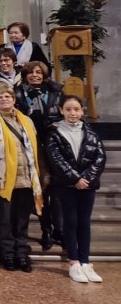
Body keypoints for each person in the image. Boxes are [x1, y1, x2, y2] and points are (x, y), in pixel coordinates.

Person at [45, 96, 106, 283]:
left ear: (82, 111)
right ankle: (74, 262)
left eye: (77, 109)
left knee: (84, 223)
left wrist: (87, 178)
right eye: (69, 109)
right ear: (61, 110)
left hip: (88, 185)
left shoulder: (90, 131)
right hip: (67, 185)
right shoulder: (54, 132)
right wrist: (75, 178)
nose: (73, 113)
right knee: (70, 222)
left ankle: (86, 262)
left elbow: (100, 156)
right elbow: (56, 159)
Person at [0, 84, 43, 273]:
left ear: (14, 99)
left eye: (7, 96)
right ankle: (8, 255)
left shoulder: (26, 121)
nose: (4, 99)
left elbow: (35, 150)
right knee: (5, 221)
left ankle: (22, 255)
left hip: (26, 180)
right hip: (3, 180)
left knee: (21, 221)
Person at [14, 60, 65, 250]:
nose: (35, 75)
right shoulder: (19, 94)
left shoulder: (56, 92)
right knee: (40, 190)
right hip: (32, 147)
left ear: (44, 74)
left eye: (38, 72)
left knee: (57, 191)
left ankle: (60, 230)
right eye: (31, 72)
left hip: (54, 145)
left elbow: (63, 115)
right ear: (25, 75)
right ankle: (46, 231)